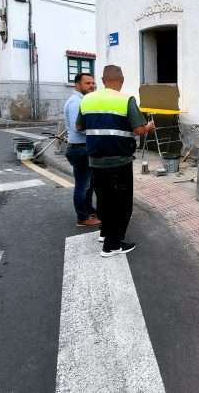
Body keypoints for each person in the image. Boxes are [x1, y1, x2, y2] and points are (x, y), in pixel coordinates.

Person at [77, 65, 155, 257]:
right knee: (121, 204)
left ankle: (105, 233)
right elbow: (138, 129)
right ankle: (112, 246)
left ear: (103, 81)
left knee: (103, 200)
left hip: (95, 161)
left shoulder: (87, 100)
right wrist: (149, 127)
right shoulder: (125, 100)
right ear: (121, 81)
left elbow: (79, 126)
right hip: (119, 162)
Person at [64, 73, 100, 227]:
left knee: (89, 184)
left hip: (84, 148)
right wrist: (99, 130)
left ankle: (89, 210)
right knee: (82, 185)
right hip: (79, 149)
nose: (91, 86)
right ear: (77, 85)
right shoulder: (75, 103)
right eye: (87, 83)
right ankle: (82, 218)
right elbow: (77, 127)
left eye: (93, 83)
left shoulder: (83, 101)